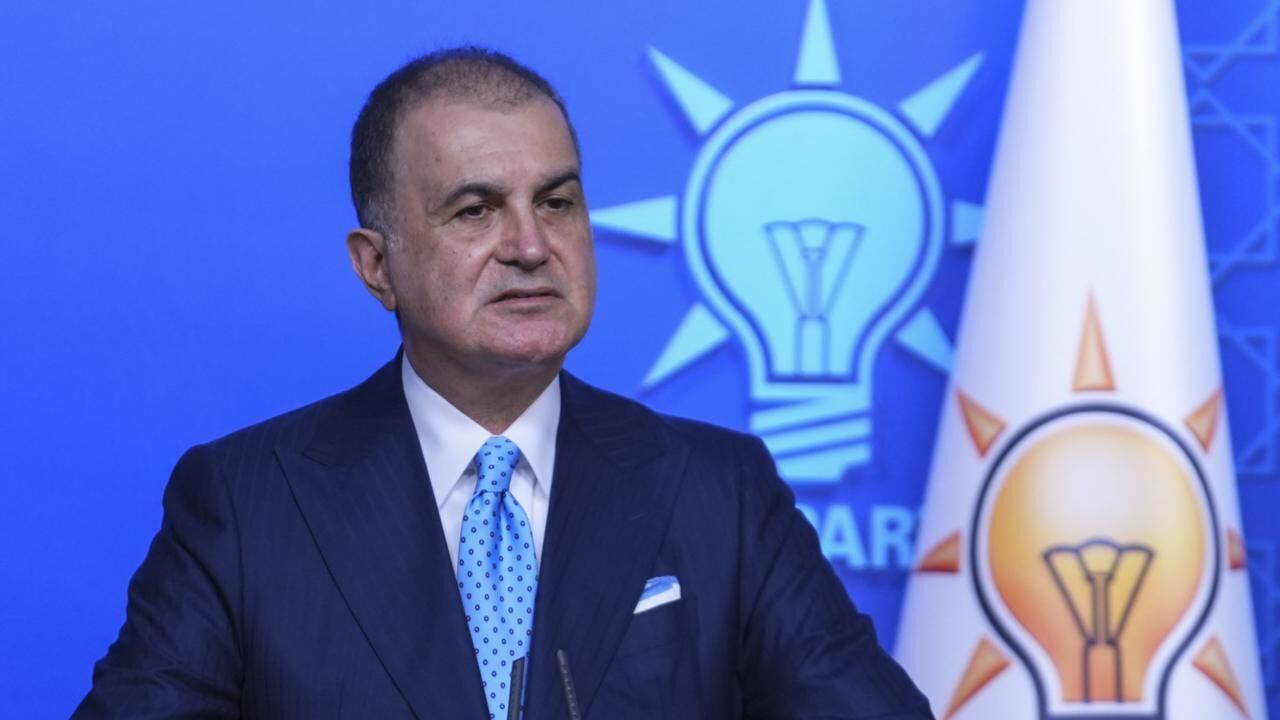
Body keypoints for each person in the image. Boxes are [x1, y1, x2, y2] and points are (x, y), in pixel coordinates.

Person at [76, 47, 932, 719]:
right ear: (377, 266)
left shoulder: (722, 496)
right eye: (475, 210)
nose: (529, 245)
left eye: (556, 203)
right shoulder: (246, 505)